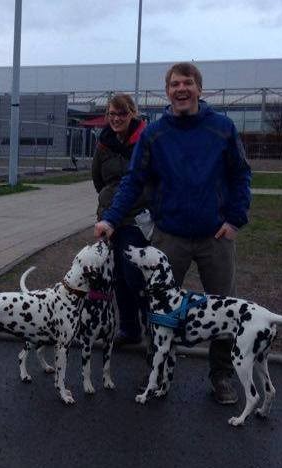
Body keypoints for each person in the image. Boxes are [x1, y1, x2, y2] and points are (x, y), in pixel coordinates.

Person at [94, 62, 252, 405]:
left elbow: (241, 175)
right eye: (175, 84)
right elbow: (133, 180)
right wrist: (110, 219)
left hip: (216, 236)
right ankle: (157, 371)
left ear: (199, 89)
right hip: (170, 236)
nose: (181, 89)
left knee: (224, 310)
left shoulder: (222, 129)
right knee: (158, 309)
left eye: (188, 83)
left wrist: (235, 219)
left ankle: (221, 374)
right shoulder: (155, 134)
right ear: (167, 91)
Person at [90, 93, 149, 346]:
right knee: (118, 276)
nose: (116, 119)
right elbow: (98, 179)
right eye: (112, 114)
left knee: (134, 273)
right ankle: (129, 328)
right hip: (110, 218)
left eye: (122, 113)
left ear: (132, 114)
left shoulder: (145, 141)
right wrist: (108, 200)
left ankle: (151, 326)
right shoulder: (104, 144)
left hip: (136, 217)